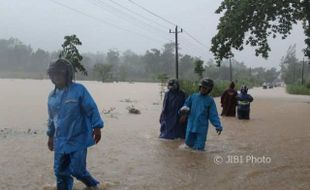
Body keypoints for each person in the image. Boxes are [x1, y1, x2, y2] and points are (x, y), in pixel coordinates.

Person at [46, 58, 104, 190]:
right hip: (60, 140)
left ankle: (93, 185)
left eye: (60, 74)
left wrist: (97, 126)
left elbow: (91, 108)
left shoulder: (79, 90)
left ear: (68, 75)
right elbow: (51, 119)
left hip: (78, 138)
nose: (56, 77)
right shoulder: (52, 97)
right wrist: (50, 137)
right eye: (53, 74)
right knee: (60, 172)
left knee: (77, 170)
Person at [179, 78, 223, 151]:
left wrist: (218, 126)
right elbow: (185, 106)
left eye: (205, 88)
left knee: (199, 149)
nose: (203, 89)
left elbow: (213, 115)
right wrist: (183, 113)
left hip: (201, 128)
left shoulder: (210, 100)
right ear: (200, 87)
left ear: (209, 90)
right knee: (188, 146)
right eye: (202, 87)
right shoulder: (193, 96)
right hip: (191, 126)